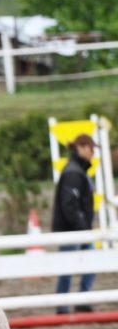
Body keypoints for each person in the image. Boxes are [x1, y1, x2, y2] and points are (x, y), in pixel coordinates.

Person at [51, 133, 98, 313]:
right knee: (71, 266)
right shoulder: (74, 172)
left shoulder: (75, 170)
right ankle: (68, 303)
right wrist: (83, 228)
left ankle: (73, 301)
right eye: (91, 148)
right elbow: (69, 205)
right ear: (81, 147)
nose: (93, 153)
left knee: (79, 265)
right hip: (73, 230)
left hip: (76, 229)